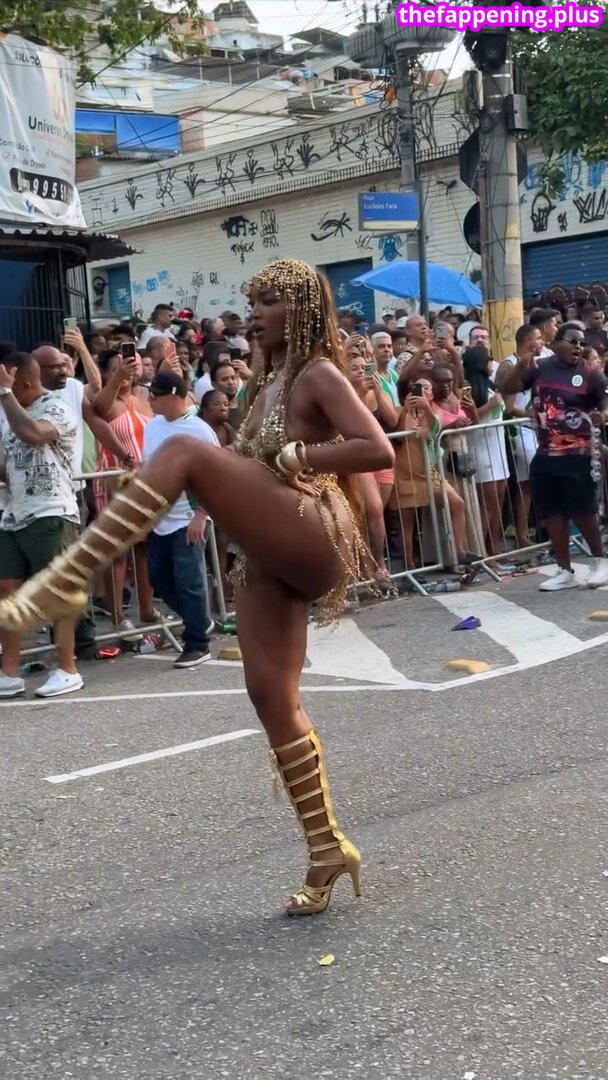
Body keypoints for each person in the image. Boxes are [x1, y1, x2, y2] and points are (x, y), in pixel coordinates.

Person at [0, 259, 394, 916]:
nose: (257, 313)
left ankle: (66, 581)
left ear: (301, 308)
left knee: (183, 454)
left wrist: (303, 455)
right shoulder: (260, 387)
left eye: (271, 301)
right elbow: (241, 467)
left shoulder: (318, 374)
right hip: (268, 547)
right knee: (270, 697)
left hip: (313, 528)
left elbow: (377, 448)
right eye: (253, 301)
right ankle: (327, 849)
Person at [501, 321, 608, 590]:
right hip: (545, 452)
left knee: (582, 510)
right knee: (552, 513)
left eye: (581, 343)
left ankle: (600, 561)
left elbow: (605, 404)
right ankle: (564, 570)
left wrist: (602, 414)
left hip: (578, 452)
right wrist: (520, 366)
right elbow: (506, 388)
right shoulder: (540, 368)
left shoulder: (590, 373)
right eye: (572, 341)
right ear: (556, 343)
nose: (578, 347)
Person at [0, 353, 83, 698]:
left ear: (24, 382)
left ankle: (67, 669)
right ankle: (9, 673)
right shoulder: (9, 414)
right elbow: (6, 467)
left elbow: (34, 434)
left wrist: (5, 395)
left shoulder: (57, 408)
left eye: (8, 383)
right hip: (14, 514)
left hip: (52, 512)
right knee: (7, 591)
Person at [143, 372, 216, 668]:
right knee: (158, 579)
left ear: (174, 396)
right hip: (158, 520)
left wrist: (201, 515)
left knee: (189, 582)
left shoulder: (199, 431)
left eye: (155, 395)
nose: (149, 400)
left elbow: (215, 476)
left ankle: (197, 644)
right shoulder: (152, 426)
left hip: (187, 518)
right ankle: (199, 619)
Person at [92, 350, 156, 635]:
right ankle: (118, 615)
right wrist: (117, 379)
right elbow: (99, 409)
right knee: (118, 551)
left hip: (145, 480)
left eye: (129, 367)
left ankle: (147, 609)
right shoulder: (104, 401)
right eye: (116, 368)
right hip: (114, 479)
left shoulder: (144, 401)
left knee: (144, 547)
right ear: (107, 373)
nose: (125, 372)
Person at [495, 323, 544, 548]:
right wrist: (529, 413)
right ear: (527, 341)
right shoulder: (508, 365)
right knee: (527, 485)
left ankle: (536, 530)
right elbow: (507, 406)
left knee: (533, 485)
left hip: (536, 430)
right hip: (521, 430)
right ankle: (522, 534)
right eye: (538, 338)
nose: (541, 342)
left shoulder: (540, 361)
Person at [462, 346, 509, 555]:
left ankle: (493, 549)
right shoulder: (469, 388)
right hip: (481, 448)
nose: (492, 362)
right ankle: (479, 551)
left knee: (499, 500)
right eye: (489, 358)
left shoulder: (490, 385)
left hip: (498, 446)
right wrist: (490, 404)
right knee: (487, 502)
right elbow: (470, 419)